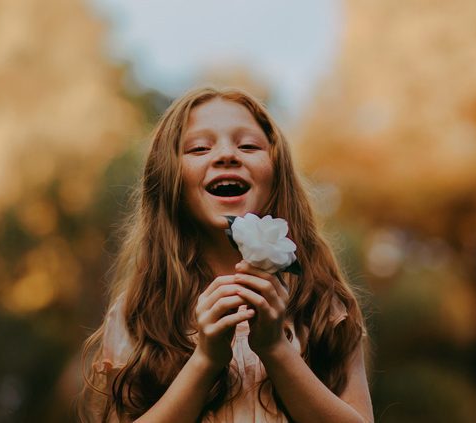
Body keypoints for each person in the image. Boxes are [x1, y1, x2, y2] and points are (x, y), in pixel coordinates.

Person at [80, 86, 372, 422]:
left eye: (247, 145)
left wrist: (276, 349)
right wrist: (205, 359)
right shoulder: (139, 314)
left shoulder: (322, 305)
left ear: (277, 173)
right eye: (199, 148)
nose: (226, 155)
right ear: (169, 178)